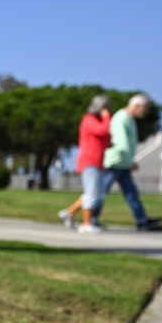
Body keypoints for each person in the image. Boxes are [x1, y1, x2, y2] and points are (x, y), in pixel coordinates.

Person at [93, 94, 162, 230]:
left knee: (131, 193)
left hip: (124, 163)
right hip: (115, 162)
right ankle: (91, 218)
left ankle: (142, 220)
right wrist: (130, 160)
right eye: (145, 108)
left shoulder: (129, 118)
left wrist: (130, 160)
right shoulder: (122, 118)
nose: (145, 111)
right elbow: (122, 143)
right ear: (137, 106)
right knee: (101, 192)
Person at [58, 94, 112, 234]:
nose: (108, 109)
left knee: (97, 194)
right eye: (106, 107)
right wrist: (106, 117)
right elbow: (103, 130)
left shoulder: (97, 121)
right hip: (89, 161)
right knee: (92, 193)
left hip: (98, 162)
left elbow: (106, 138)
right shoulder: (89, 119)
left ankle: (70, 212)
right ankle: (87, 224)